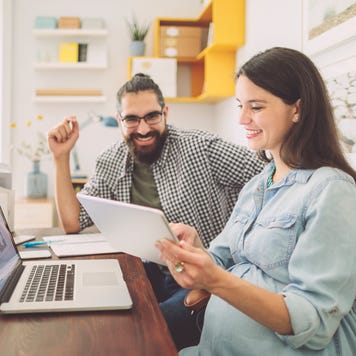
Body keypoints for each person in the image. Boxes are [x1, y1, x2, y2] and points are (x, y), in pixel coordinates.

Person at [156, 47, 356, 356]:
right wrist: (195, 250)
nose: (241, 118)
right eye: (240, 105)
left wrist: (216, 280)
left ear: (297, 109)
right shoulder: (258, 185)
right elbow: (220, 260)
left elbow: (313, 323)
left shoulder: (332, 190)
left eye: (256, 107)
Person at [47, 73, 264, 350]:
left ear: (165, 112)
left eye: (152, 116)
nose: (143, 128)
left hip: (203, 276)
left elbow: (269, 175)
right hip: (147, 270)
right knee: (98, 318)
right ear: (119, 120)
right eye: (132, 119)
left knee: (143, 332)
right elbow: (73, 222)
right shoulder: (111, 160)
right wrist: (60, 156)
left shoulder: (201, 147)